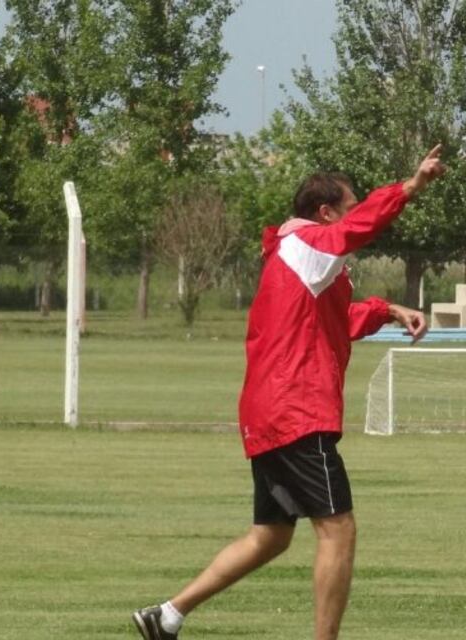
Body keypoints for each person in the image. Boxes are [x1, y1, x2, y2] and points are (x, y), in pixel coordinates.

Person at [133, 145, 447, 640]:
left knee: (272, 536)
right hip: (297, 410)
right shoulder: (308, 247)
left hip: (268, 414)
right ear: (324, 214)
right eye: (349, 203)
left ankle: (167, 614)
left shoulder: (297, 260)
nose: (355, 212)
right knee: (338, 530)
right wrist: (410, 187)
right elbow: (358, 228)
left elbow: (336, 321)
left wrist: (389, 311)